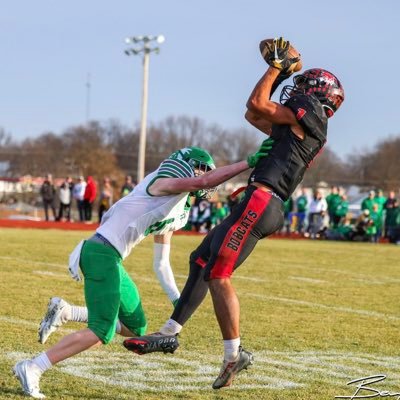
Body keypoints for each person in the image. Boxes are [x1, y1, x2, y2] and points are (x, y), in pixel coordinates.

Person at [124, 38, 345, 390]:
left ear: (317, 93)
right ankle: (169, 334)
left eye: (302, 85)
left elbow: (257, 103)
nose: (296, 89)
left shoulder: (310, 111)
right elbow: (253, 113)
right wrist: (275, 72)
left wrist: (276, 67)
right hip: (259, 200)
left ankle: (233, 354)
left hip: (262, 200)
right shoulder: (302, 123)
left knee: (219, 274)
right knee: (201, 259)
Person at [12, 145, 269, 399]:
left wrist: (179, 303)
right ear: (189, 167)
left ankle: (66, 311)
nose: (204, 177)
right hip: (102, 253)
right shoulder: (162, 183)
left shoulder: (180, 210)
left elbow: (161, 263)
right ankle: (33, 366)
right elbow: (204, 180)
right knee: (101, 331)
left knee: (137, 326)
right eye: (201, 169)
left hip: (111, 256)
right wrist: (247, 163)